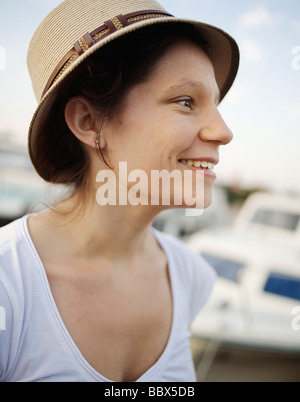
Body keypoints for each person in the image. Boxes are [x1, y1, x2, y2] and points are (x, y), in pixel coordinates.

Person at [0, 0, 239, 382]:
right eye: (185, 101)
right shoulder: (8, 285)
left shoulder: (189, 277)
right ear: (89, 121)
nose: (223, 132)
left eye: (216, 104)